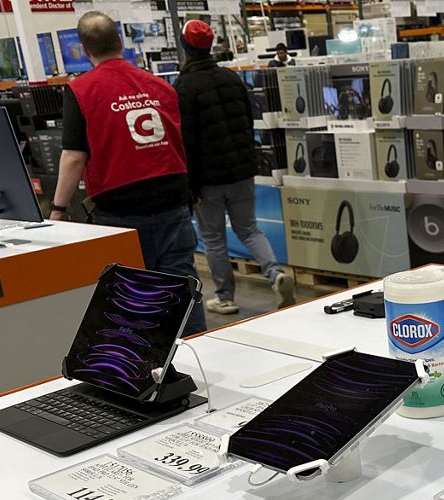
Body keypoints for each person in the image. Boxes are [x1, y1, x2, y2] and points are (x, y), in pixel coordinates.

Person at [49, 11, 207, 335]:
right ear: (120, 40)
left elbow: (74, 158)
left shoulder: (81, 91)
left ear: (83, 48)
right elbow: (182, 142)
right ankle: (201, 354)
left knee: (135, 298)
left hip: (121, 210)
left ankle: (143, 372)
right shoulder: (161, 86)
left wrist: (58, 209)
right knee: (183, 290)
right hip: (173, 202)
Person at [175, 20, 296, 314]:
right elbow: (247, 121)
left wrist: (190, 185)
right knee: (250, 229)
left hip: (208, 179)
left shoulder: (183, 86)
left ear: (185, 46)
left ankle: (226, 298)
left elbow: (185, 140)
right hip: (242, 170)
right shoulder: (231, 79)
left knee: (213, 238)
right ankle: (275, 274)